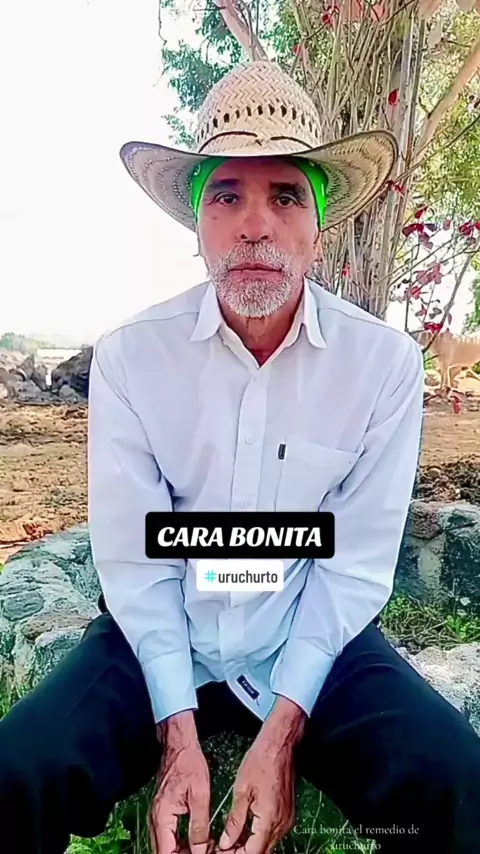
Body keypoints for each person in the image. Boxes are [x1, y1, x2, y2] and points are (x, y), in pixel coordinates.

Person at [0, 59, 479, 854]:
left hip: (308, 633)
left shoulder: (382, 366)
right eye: (226, 196)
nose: (255, 225)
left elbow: (353, 564)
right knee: (15, 774)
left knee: (461, 786)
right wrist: (176, 727)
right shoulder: (132, 359)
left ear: (318, 230)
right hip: (164, 632)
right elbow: (136, 560)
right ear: (197, 227)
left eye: (285, 196)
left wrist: (284, 727)